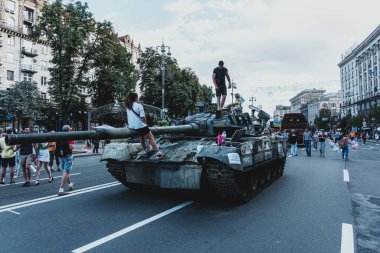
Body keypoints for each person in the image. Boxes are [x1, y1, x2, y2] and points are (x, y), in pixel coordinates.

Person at [124, 92, 164, 159]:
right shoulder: (139, 106)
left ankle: (146, 151)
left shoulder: (128, 106)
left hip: (132, 127)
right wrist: (146, 124)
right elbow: (143, 118)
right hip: (140, 126)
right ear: (136, 98)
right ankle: (158, 152)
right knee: (151, 137)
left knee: (142, 138)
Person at [56, 125, 75, 196]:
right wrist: (73, 146)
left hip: (60, 156)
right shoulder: (70, 135)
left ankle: (70, 185)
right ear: (69, 130)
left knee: (65, 171)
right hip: (67, 155)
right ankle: (61, 189)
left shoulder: (58, 135)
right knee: (66, 171)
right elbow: (71, 147)